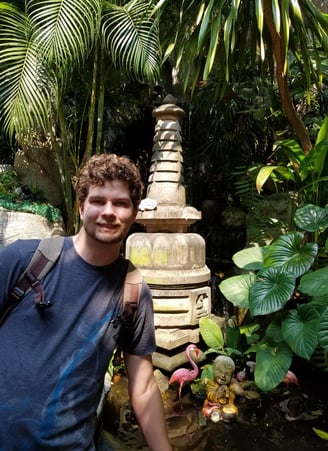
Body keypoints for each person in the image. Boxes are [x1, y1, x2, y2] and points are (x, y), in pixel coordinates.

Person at [0, 153, 172, 451]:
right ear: (81, 208)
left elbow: (142, 386)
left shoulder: (132, 292)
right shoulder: (26, 260)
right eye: (98, 201)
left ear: (133, 214)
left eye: (120, 203)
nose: (109, 211)